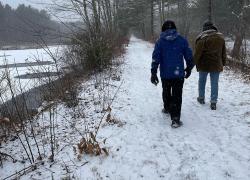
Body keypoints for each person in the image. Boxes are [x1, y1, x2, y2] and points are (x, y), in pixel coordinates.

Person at [151, 20, 194, 128]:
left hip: (165, 74)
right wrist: (189, 68)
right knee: (177, 95)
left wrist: (153, 72)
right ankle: (175, 119)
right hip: (178, 73)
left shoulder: (160, 42)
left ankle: (167, 108)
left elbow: (155, 58)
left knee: (166, 91)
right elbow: (189, 56)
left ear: (163, 29)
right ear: (175, 28)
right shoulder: (182, 40)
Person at [194, 21, 226, 110]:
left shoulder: (202, 38)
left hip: (204, 64)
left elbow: (197, 53)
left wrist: (193, 63)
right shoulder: (220, 38)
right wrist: (223, 62)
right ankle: (213, 102)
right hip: (216, 64)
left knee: (202, 81)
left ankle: (201, 98)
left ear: (204, 28)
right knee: (214, 83)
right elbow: (223, 52)